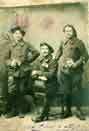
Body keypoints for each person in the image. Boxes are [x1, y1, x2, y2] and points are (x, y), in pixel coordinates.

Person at [55, 24, 88, 120]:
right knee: (66, 91)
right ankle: (68, 111)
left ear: (73, 32)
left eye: (70, 30)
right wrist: (54, 59)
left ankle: (78, 111)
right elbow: (59, 52)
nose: (68, 32)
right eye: (66, 31)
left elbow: (85, 56)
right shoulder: (63, 42)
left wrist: (75, 64)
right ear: (64, 32)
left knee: (77, 91)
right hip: (64, 71)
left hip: (76, 71)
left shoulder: (79, 42)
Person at [6, 26, 39, 118]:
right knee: (12, 91)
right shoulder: (10, 46)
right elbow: (6, 59)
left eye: (19, 34)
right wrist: (10, 62)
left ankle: (21, 111)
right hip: (12, 72)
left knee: (21, 91)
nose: (17, 35)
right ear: (13, 35)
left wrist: (26, 61)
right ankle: (13, 111)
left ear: (22, 35)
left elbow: (36, 53)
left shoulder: (27, 45)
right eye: (16, 33)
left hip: (23, 72)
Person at [31, 42, 58, 122]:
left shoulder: (53, 61)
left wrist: (38, 73)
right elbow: (33, 73)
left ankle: (42, 115)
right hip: (39, 84)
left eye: (46, 49)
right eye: (42, 49)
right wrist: (39, 76)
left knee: (47, 93)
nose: (44, 51)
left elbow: (51, 75)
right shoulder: (38, 60)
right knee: (31, 91)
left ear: (50, 50)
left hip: (52, 84)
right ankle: (38, 112)